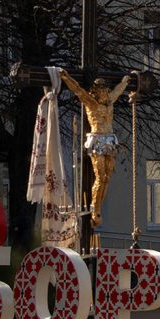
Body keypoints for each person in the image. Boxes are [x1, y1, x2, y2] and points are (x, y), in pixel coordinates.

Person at [58, 69, 131, 226]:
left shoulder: (110, 101)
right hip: (97, 139)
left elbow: (118, 91)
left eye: (106, 91)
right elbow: (77, 90)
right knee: (100, 176)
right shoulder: (91, 102)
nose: (105, 94)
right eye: (102, 91)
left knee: (107, 177)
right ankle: (95, 210)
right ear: (96, 92)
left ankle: (98, 208)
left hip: (110, 140)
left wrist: (125, 82)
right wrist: (66, 77)